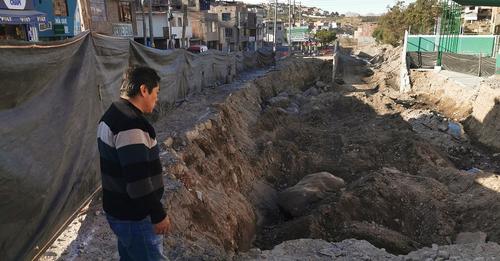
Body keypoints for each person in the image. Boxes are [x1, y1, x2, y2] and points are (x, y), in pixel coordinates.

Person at [97, 66, 171, 260]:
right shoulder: (131, 125)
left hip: (120, 211)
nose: (157, 99)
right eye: (156, 93)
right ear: (143, 90)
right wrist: (158, 214)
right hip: (135, 216)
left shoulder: (112, 114)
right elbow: (138, 181)